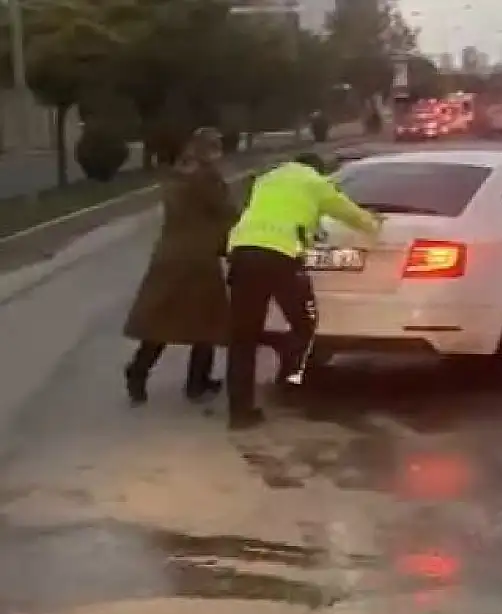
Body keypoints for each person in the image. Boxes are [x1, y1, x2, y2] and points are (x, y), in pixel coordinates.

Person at [224, 152, 383, 430]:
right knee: (304, 323)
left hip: (242, 252)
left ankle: (240, 413)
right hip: (280, 257)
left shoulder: (266, 179)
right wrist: (374, 223)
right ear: (317, 170)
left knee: (242, 339)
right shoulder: (316, 183)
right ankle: (289, 374)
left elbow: (281, 211)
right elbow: (349, 213)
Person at [123, 127, 236, 404]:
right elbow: (227, 212)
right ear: (209, 149)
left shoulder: (176, 176)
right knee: (206, 322)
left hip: (168, 256)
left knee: (161, 322)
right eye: (216, 147)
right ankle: (197, 383)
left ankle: (138, 371)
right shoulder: (207, 178)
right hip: (198, 259)